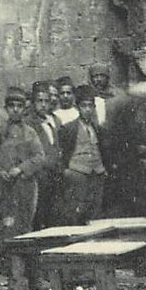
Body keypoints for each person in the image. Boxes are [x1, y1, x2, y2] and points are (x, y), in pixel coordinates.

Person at [0, 86, 45, 290]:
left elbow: (40, 157)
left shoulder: (30, 133)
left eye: (19, 106)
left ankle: (16, 280)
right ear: (6, 109)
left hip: (23, 190)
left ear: (24, 109)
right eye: (11, 106)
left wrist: (20, 169)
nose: (15, 110)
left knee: (20, 233)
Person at [58, 84, 109, 223]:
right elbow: (62, 152)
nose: (87, 110)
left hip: (97, 173)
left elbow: (103, 150)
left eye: (90, 106)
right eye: (84, 106)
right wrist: (67, 171)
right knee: (76, 210)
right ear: (78, 107)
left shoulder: (98, 129)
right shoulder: (68, 128)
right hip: (77, 173)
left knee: (95, 211)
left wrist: (103, 169)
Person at [25, 81, 63, 230]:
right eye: (39, 101)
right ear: (33, 103)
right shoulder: (28, 123)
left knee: (53, 215)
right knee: (38, 215)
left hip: (55, 175)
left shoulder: (54, 121)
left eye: (46, 101)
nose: (43, 105)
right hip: (39, 176)